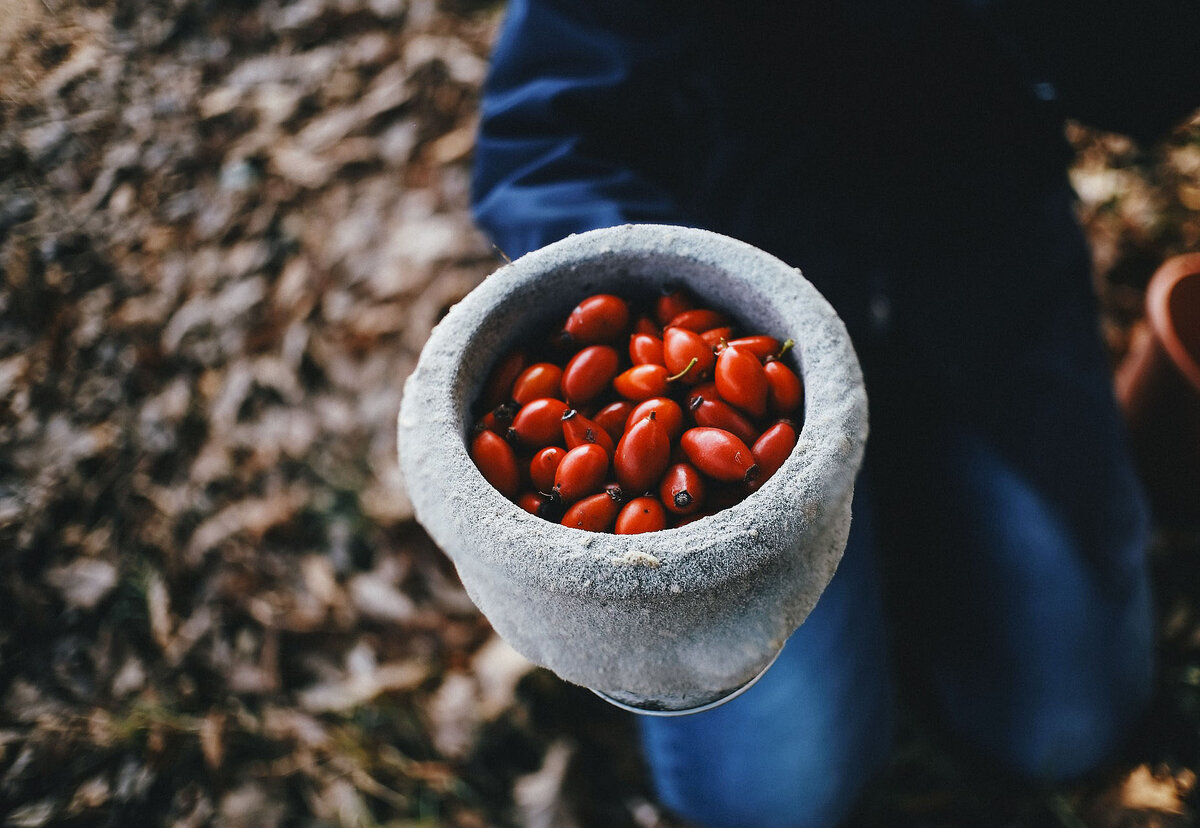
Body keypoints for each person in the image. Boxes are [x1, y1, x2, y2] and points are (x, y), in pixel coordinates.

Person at [469, 2, 1200, 825]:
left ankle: (918, 512)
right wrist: (661, 309)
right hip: (740, 296)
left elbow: (1146, 85)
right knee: (771, 798)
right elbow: (540, 138)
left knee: (1065, 727)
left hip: (983, 291)